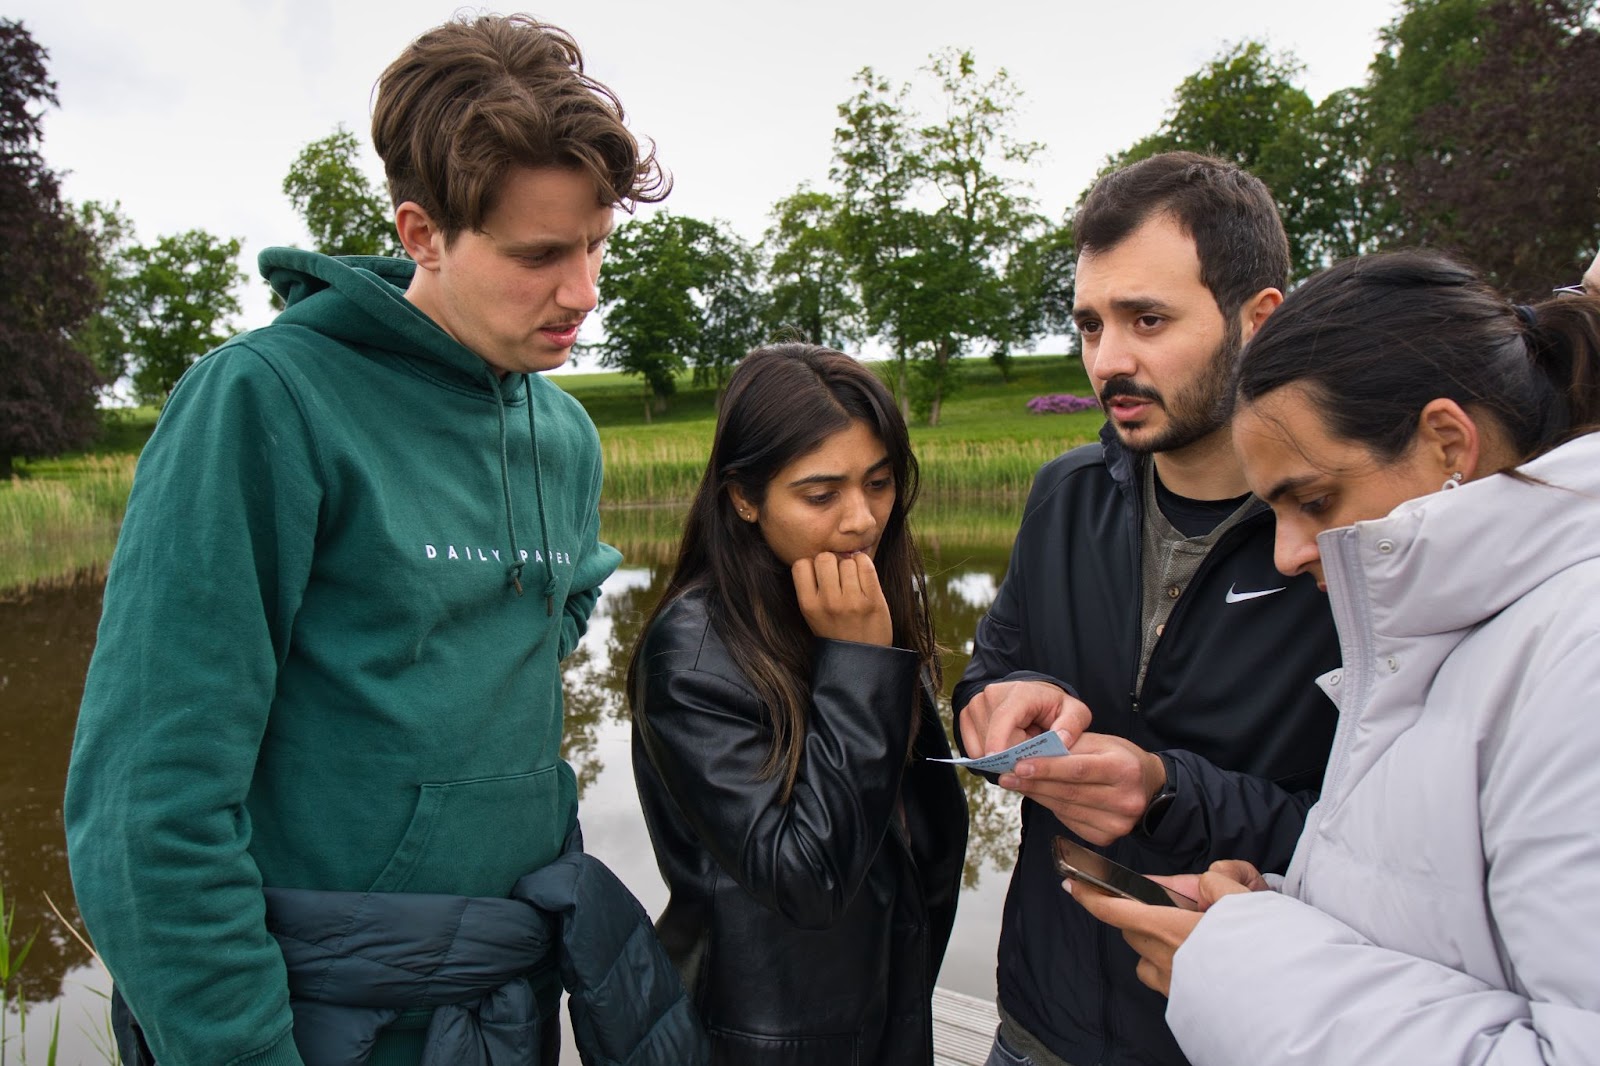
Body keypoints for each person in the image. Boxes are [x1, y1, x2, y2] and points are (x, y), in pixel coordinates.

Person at [65, 15, 704, 1066]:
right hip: (320, 1017)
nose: (582, 292)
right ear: (421, 233)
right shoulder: (263, 404)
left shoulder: (564, 436)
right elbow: (147, 810)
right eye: (540, 253)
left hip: (500, 998)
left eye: (595, 245)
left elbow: (563, 602)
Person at [1072, 250, 1600, 1064]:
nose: (1286, 554)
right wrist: (1274, 917)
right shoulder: (1441, 640)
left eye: (1313, 501)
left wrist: (1236, 969)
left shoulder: (1579, 659)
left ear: (1447, 443)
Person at [953, 151, 1342, 1066]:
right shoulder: (1064, 495)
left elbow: (1377, 846)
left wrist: (1164, 794)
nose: (1108, 360)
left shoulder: (1340, 536)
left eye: (1148, 320)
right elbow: (992, 667)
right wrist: (1001, 704)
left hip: (1228, 1038)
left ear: (1259, 320)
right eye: (1090, 324)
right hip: (1036, 1025)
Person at [628, 343, 969, 1066]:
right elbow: (805, 878)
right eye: (821, 495)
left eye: (879, 483)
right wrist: (860, 666)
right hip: (767, 1034)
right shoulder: (692, 658)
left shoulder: (843, 593)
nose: (862, 520)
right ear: (744, 498)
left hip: (885, 999)